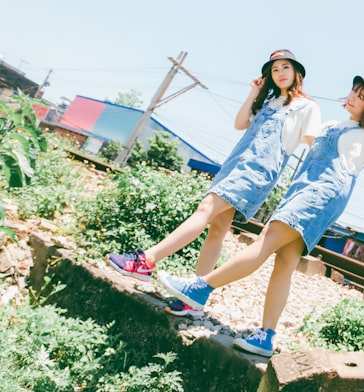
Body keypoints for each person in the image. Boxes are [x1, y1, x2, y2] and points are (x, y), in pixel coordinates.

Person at [158, 76, 364, 356]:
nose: (353, 97)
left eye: (362, 97)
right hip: (301, 188)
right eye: (354, 91)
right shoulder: (333, 125)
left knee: (266, 240)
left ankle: (200, 288)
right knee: (284, 262)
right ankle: (265, 337)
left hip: (322, 195)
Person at [106, 49, 321, 317]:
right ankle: (193, 299)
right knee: (217, 228)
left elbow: (313, 146)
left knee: (206, 208)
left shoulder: (307, 107)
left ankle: (146, 260)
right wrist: (254, 92)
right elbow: (240, 123)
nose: (280, 73)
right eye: (274, 70)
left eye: (285, 67)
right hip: (235, 164)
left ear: (297, 72)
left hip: (257, 171)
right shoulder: (269, 103)